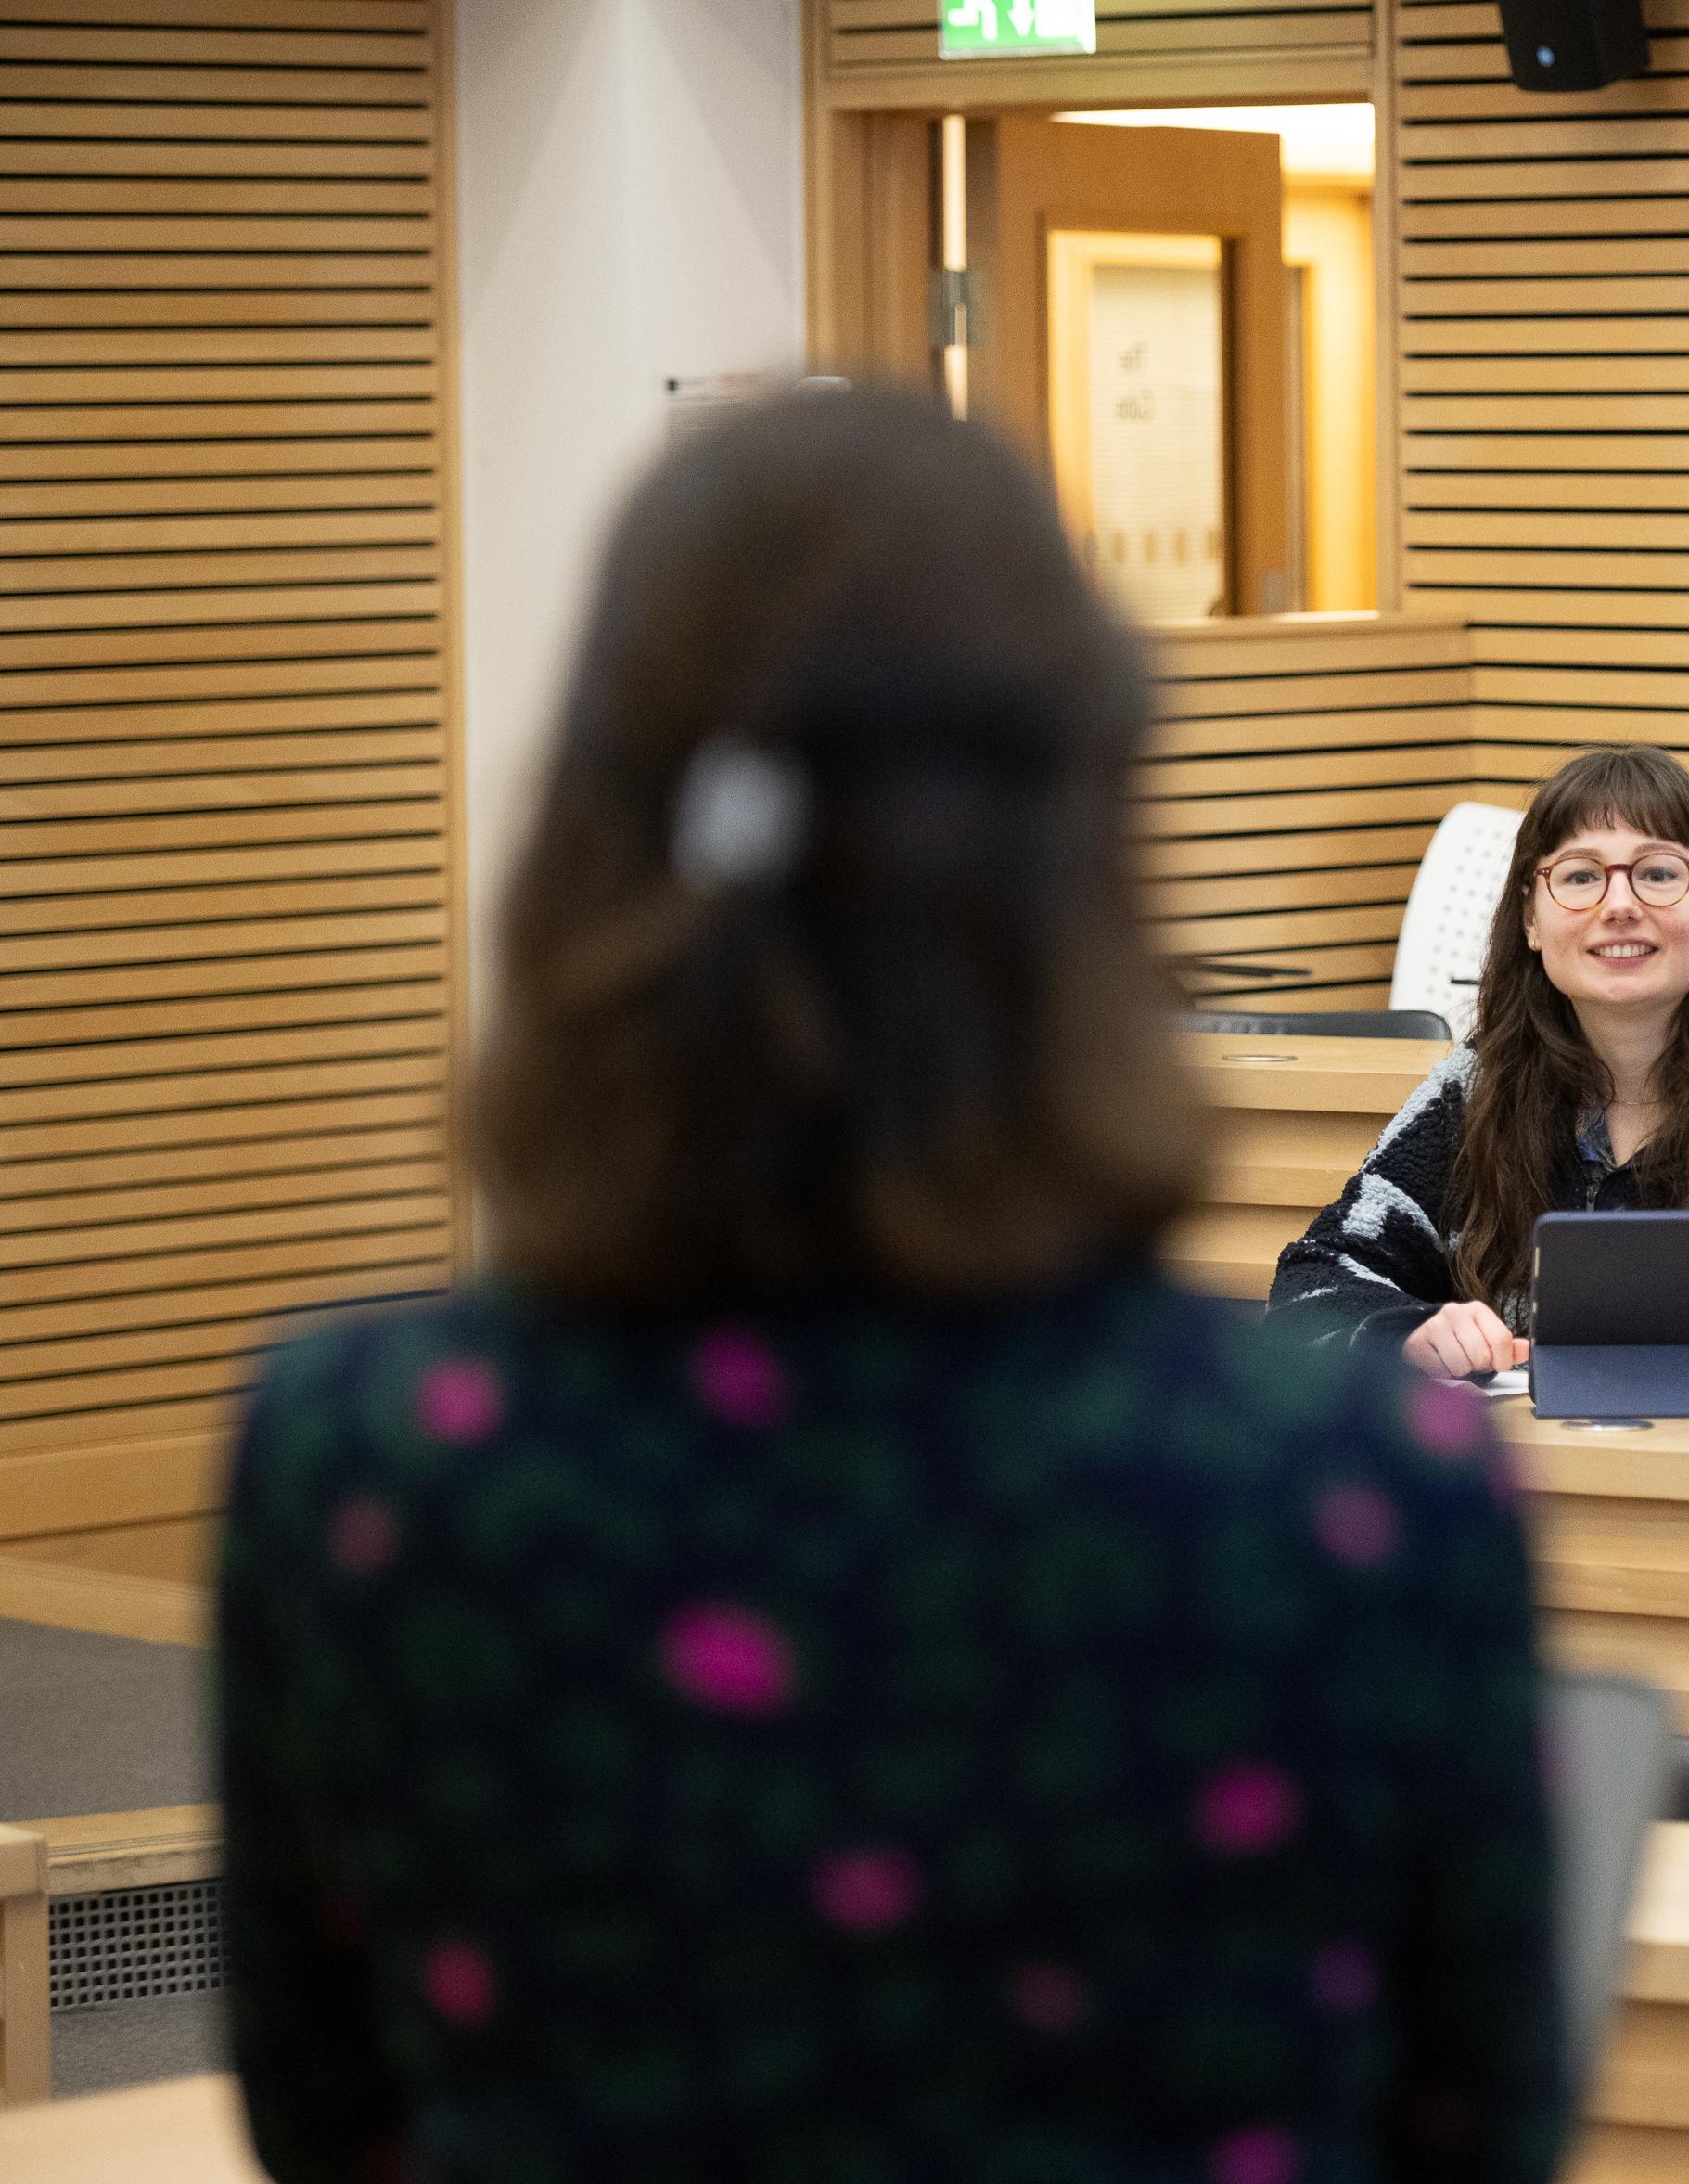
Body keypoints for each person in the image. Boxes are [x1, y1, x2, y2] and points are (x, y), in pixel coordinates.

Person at [212, 391, 1567, 2182]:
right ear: (1086, 851)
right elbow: (1473, 2126)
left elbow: (331, 2118)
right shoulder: (1364, 1485)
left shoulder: (364, 1464)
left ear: (593, 833)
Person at [1269, 746, 1689, 1389]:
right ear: (1530, 919)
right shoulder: (1476, 1093)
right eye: (1580, 876)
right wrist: (1405, 1332)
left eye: (1659, 873)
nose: (1619, 904)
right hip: (1533, 1484)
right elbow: (1311, 1284)